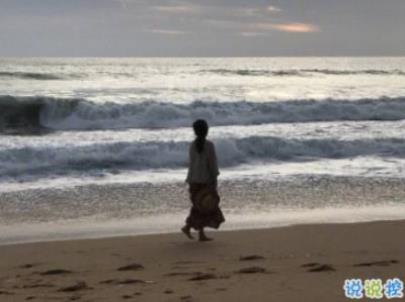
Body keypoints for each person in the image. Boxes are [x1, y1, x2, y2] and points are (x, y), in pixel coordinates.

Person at [182, 119, 225, 242]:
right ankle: (191, 229)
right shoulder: (209, 145)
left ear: (195, 131)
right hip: (205, 181)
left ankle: (196, 231)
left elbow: (191, 164)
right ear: (206, 131)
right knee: (204, 207)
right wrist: (214, 180)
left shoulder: (192, 145)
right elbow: (212, 165)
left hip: (193, 180)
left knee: (199, 207)